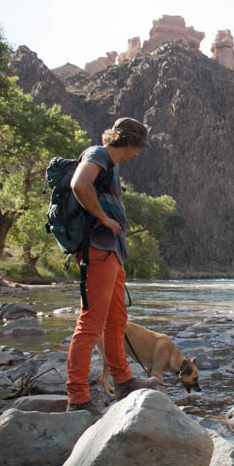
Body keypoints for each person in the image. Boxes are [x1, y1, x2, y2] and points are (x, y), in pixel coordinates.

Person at [65, 117, 159, 413]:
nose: (137, 155)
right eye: (138, 148)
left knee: (116, 320)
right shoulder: (98, 154)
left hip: (112, 253)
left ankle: (123, 381)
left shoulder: (109, 165)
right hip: (98, 250)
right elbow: (79, 184)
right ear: (129, 142)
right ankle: (77, 397)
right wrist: (105, 220)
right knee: (91, 322)